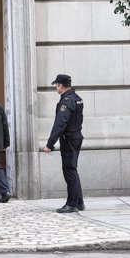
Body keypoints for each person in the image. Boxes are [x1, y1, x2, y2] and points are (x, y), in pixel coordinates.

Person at [44, 74, 85, 213]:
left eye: (56, 85)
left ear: (60, 86)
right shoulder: (77, 99)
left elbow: (60, 124)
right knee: (73, 169)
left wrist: (50, 143)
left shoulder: (65, 102)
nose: (56, 87)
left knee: (69, 170)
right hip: (77, 137)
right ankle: (79, 202)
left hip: (69, 139)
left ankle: (72, 203)